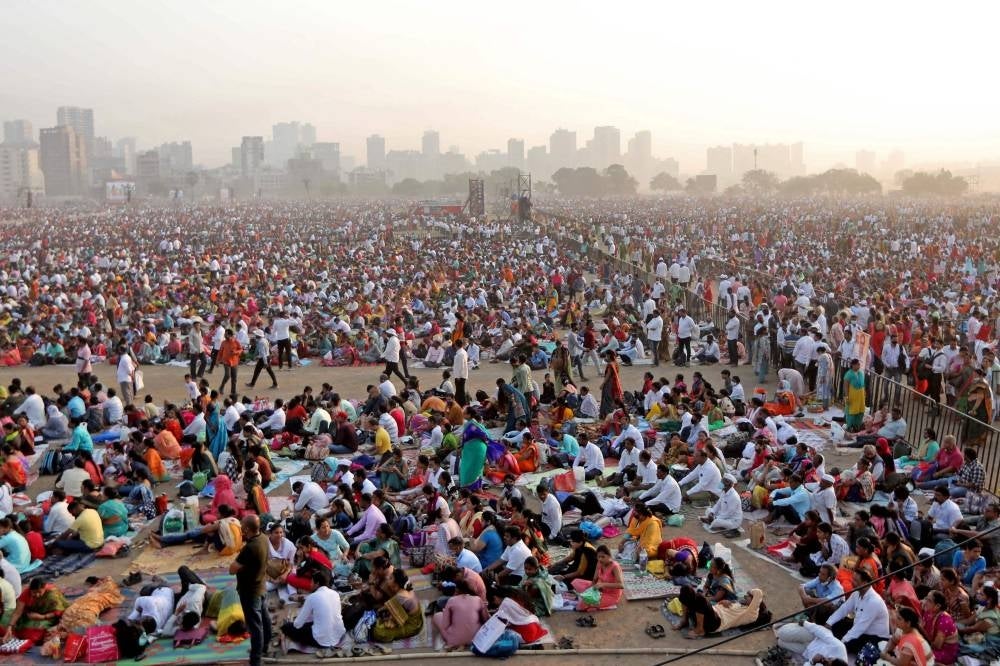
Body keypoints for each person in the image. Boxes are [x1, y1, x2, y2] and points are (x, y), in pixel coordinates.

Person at [229, 515, 271, 666]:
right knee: (264, 619)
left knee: (255, 626)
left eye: (242, 526)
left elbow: (232, 569)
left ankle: (256, 659)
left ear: (247, 529)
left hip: (250, 590)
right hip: (261, 585)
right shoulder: (264, 538)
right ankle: (266, 646)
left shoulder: (250, 548)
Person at [826, 568, 891, 652]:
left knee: (847, 643)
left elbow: (861, 626)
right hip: (861, 629)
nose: (852, 582)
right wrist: (829, 622)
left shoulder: (874, 601)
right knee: (835, 626)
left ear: (865, 583)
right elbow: (844, 609)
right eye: (852, 579)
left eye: (856, 580)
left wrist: (843, 642)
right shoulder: (856, 593)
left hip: (875, 638)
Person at [280, 571, 345, 653]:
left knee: (287, 627)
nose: (310, 584)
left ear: (317, 583)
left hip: (321, 641)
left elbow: (297, 624)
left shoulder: (312, 597)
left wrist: (292, 624)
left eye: (311, 582)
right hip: (338, 636)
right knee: (315, 622)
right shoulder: (335, 594)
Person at [2, 577, 68, 643]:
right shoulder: (26, 593)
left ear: (44, 588)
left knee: (31, 634)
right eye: (34, 592)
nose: (37, 595)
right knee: (5, 618)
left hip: (49, 616)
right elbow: (17, 612)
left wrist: (42, 617)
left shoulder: (52, 594)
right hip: (30, 614)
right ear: (30, 590)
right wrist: (10, 627)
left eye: (39, 592)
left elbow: (59, 611)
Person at [432, 578, 489, 650]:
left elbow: (445, 625)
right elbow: (486, 620)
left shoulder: (452, 600)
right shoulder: (478, 599)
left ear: (457, 589)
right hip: (476, 638)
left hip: (455, 640)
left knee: (437, 616)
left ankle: (443, 644)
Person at [371, 570, 424, 642]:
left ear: (396, 583)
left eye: (390, 578)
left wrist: (387, 619)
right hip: (417, 620)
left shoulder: (400, 596)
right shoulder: (405, 588)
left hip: (413, 626)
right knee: (384, 614)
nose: (387, 579)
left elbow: (385, 610)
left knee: (378, 632)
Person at [572, 544, 623, 611]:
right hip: (599, 589)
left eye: (603, 557)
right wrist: (590, 590)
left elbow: (620, 585)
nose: (600, 559)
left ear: (609, 556)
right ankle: (589, 599)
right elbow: (595, 579)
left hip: (611, 594)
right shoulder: (599, 563)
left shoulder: (615, 567)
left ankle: (592, 604)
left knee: (583, 604)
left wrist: (602, 584)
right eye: (599, 557)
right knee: (576, 582)